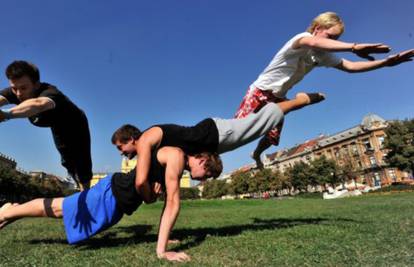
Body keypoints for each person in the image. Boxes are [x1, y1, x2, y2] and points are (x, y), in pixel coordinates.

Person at [234, 11, 414, 168]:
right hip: (260, 91)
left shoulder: (323, 55)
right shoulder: (300, 39)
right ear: (317, 28)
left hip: (279, 97)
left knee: (272, 137)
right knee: (237, 132)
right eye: (330, 37)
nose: (333, 42)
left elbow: (350, 66)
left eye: (336, 39)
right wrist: (353, 46)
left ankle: (256, 154)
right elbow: (312, 43)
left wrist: (385, 63)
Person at [0, 146, 222, 262]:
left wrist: (164, 235)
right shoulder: (176, 155)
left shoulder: (175, 162)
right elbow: (172, 203)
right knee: (60, 208)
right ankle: (10, 211)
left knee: (61, 209)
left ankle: (11, 212)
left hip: (115, 200)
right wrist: (162, 251)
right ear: (202, 161)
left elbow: (157, 199)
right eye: (207, 174)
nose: (203, 179)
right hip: (110, 195)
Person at [112, 92, 323, 204]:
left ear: (132, 138)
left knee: (259, 124)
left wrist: (148, 197)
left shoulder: (146, 141)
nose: (122, 153)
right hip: (213, 139)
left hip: (215, 135)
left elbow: (140, 181)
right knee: (256, 121)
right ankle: (276, 102)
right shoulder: (151, 146)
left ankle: (300, 100)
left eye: (121, 147)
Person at [0, 61, 93, 190]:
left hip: (76, 124)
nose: (19, 94)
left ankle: (86, 191)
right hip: (57, 126)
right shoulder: (15, 91)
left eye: (23, 88)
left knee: (82, 163)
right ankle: (75, 178)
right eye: (14, 88)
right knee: (66, 161)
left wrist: (6, 115)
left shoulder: (51, 93)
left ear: (36, 85)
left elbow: (38, 104)